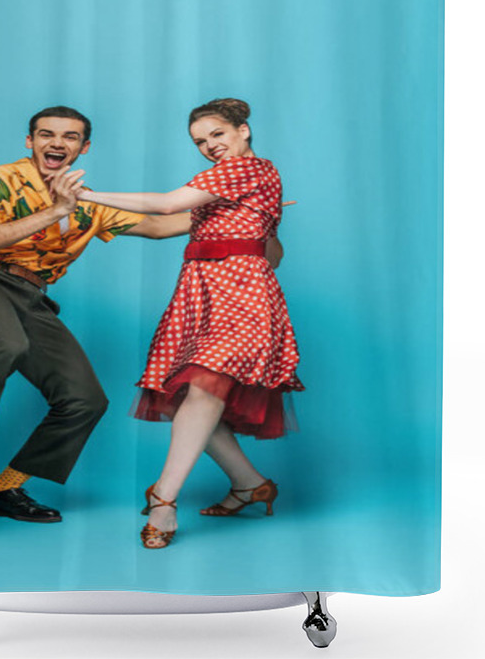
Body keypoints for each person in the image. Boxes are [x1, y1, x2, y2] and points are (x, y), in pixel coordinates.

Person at [0, 105, 189, 539]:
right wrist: (54, 209)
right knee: (4, 343)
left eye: (69, 137)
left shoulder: (90, 204)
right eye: (47, 135)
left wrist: (245, 210)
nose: (57, 144)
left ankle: (3, 491)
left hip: (30, 296)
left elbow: (160, 226)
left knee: (84, 399)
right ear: (31, 141)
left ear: (84, 148)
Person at [63, 98, 304, 549]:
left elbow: (167, 202)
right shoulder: (236, 186)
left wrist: (86, 194)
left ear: (243, 131)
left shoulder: (246, 170)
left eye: (218, 135)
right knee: (189, 398)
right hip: (202, 298)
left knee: (205, 388)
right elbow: (160, 226)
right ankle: (250, 484)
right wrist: (84, 219)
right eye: (200, 142)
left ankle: (163, 500)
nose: (210, 146)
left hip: (242, 298)